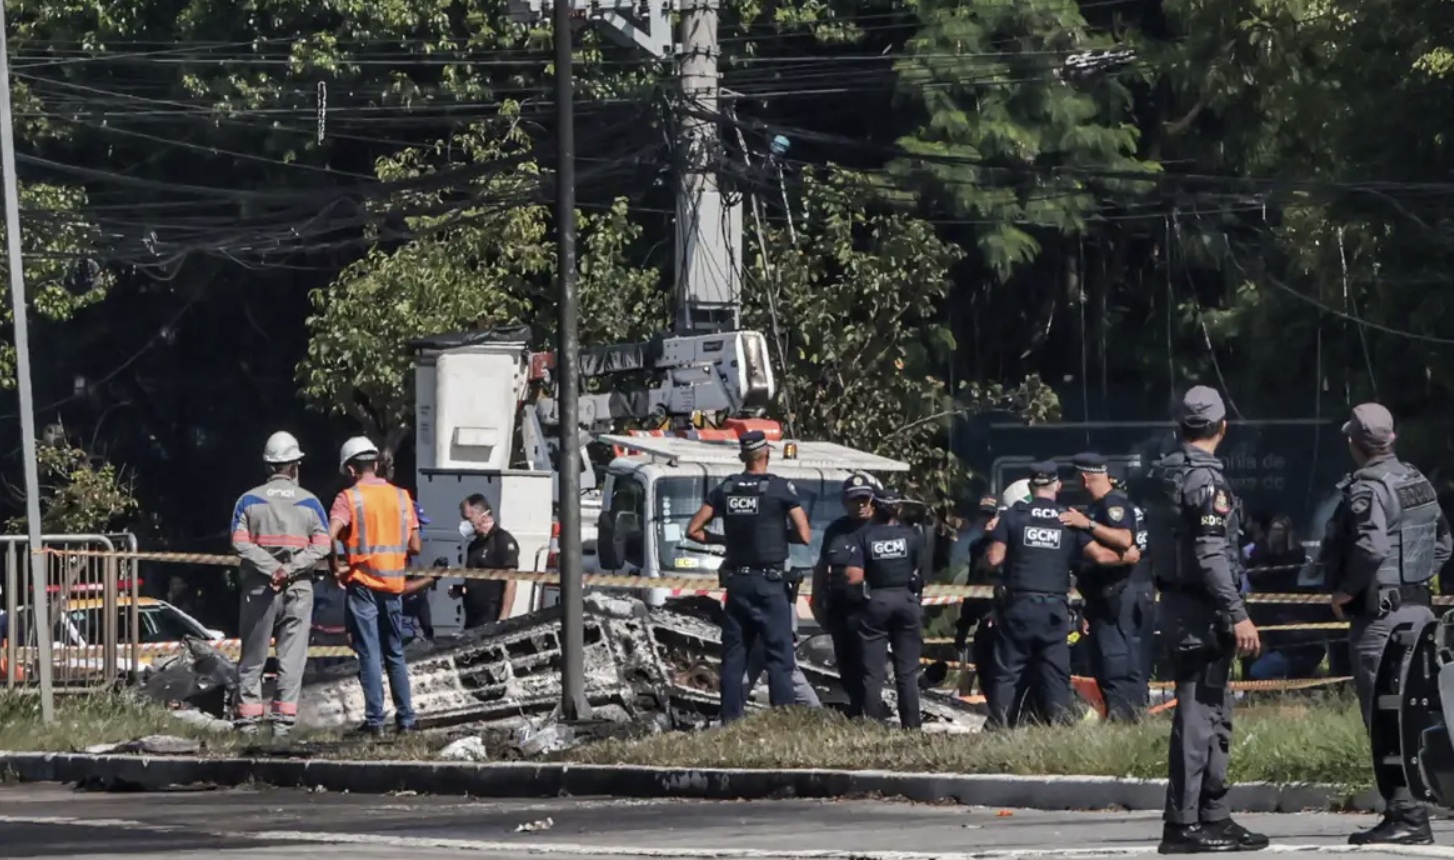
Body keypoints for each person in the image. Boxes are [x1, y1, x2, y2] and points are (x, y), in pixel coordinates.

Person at [1320, 403, 1452, 846]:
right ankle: (1419, 807)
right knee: (1419, 711)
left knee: (1385, 716)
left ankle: (1406, 815)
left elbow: (1371, 547)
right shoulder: (1416, 480)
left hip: (1382, 619)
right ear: (1391, 438)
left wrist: (1347, 592)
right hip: (1420, 612)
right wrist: (1413, 579)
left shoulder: (1368, 488)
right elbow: (1444, 542)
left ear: (1355, 443)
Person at [1145, 386, 1267, 854]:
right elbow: (1211, 552)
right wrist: (1237, 613)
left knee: (1216, 715)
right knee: (1198, 719)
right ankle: (1183, 823)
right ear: (1222, 428)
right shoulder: (1205, 481)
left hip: (1184, 605)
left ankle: (1213, 815)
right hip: (1203, 609)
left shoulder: (1168, 473)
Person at [982, 462, 1121, 729]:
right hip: (1054, 609)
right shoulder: (1069, 519)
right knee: (1055, 672)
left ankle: (999, 728)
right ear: (1057, 486)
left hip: (1018, 606)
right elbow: (1102, 556)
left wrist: (993, 537)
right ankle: (1060, 728)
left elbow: (995, 558)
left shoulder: (1013, 516)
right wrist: (1130, 556)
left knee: (1007, 671)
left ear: (1032, 487)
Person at [686, 430, 810, 724]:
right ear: (767, 454)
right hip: (770, 584)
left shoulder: (726, 488)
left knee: (734, 658)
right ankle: (783, 722)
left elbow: (694, 530)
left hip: (737, 585)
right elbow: (804, 535)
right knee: (779, 658)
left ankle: (731, 722)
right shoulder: (779, 489)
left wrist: (723, 539)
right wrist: (779, 535)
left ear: (743, 456)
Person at [228, 431, 331, 738]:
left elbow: (239, 543)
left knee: (253, 656)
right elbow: (323, 545)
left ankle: (247, 723)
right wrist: (290, 568)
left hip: (260, 587)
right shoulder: (311, 502)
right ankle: (282, 725)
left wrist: (272, 568)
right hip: (298, 588)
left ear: (268, 466)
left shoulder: (247, 500)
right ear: (295, 466)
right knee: (292, 657)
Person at [328, 436, 421, 737]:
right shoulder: (401, 497)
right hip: (393, 584)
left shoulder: (348, 498)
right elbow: (415, 545)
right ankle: (406, 721)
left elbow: (329, 535)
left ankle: (375, 723)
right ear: (377, 464)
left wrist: (336, 569)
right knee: (395, 652)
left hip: (364, 584)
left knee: (369, 653)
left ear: (351, 469)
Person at [1064, 451, 1153, 723]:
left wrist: (1086, 524)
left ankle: (1126, 719)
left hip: (1119, 596)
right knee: (1117, 662)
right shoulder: (1107, 505)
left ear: (1083, 478)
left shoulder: (1110, 505)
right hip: (1112, 597)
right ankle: (1128, 716)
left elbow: (1125, 539)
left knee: (1117, 663)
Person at [843, 487, 925, 729]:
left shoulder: (863, 536)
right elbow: (919, 573)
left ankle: (872, 726)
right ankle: (912, 727)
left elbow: (853, 577)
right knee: (907, 672)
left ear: (874, 507)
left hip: (877, 601)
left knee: (872, 673)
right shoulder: (911, 536)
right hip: (907, 601)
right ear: (898, 508)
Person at [810, 473, 878, 714]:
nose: (860, 505)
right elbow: (822, 565)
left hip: (870, 607)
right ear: (844, 502)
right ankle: (857, 708)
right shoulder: (836, 530)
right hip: (839, 606)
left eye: (864, 499)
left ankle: (872, 713)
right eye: (854, 500)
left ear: (872, 500)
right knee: (846, 662)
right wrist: (816, 600)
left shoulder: (882, 527)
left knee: (869, 665)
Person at [449, 495, 520, 629]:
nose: (464, 524)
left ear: (483, 516)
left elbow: (511, 582)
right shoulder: (474, 546)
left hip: (491, 615)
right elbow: (475, 580)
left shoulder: (502, 541)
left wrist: (503, 619)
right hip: (472, 617)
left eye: (468, 519)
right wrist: (462, 589)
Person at [401, 502, 440, 644]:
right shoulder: (393, 550)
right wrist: (430, 579)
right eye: (417, 527)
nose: (420, 531)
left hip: (415, 623)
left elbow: (422, 598)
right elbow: (400, 588)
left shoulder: (421, 550)